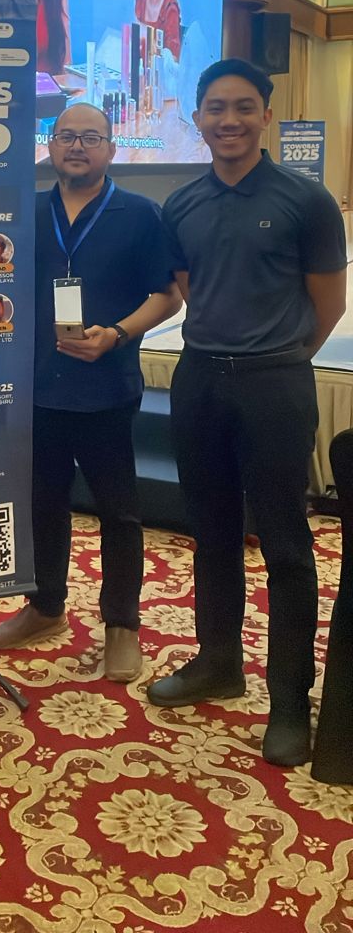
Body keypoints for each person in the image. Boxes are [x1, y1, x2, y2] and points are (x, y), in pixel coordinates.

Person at [147, 58, 347, 767]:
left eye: (242, 107)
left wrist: (277, 359)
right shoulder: (182, 204)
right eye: (215, 108)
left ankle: (289, 700)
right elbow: (190, 288)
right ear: (198, 118)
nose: (228, 120)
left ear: (266, 114)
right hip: (200, 381)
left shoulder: (306, 200)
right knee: (211, 534)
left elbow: (329, 305)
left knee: (286, 545)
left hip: (275, 386)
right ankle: (218, 663)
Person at [0, 102, 181, 679]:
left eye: (91, 137)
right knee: (43, 504)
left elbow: (167, 296)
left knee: (119, 512)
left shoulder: (140, 214)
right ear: (49, 145)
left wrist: (117, 333)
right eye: (66, 135)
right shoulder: (23, 211)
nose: (77, 146)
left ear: (112, 149)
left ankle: (122, 624)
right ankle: (45, 607)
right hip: (36, 386)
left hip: (106, 387)